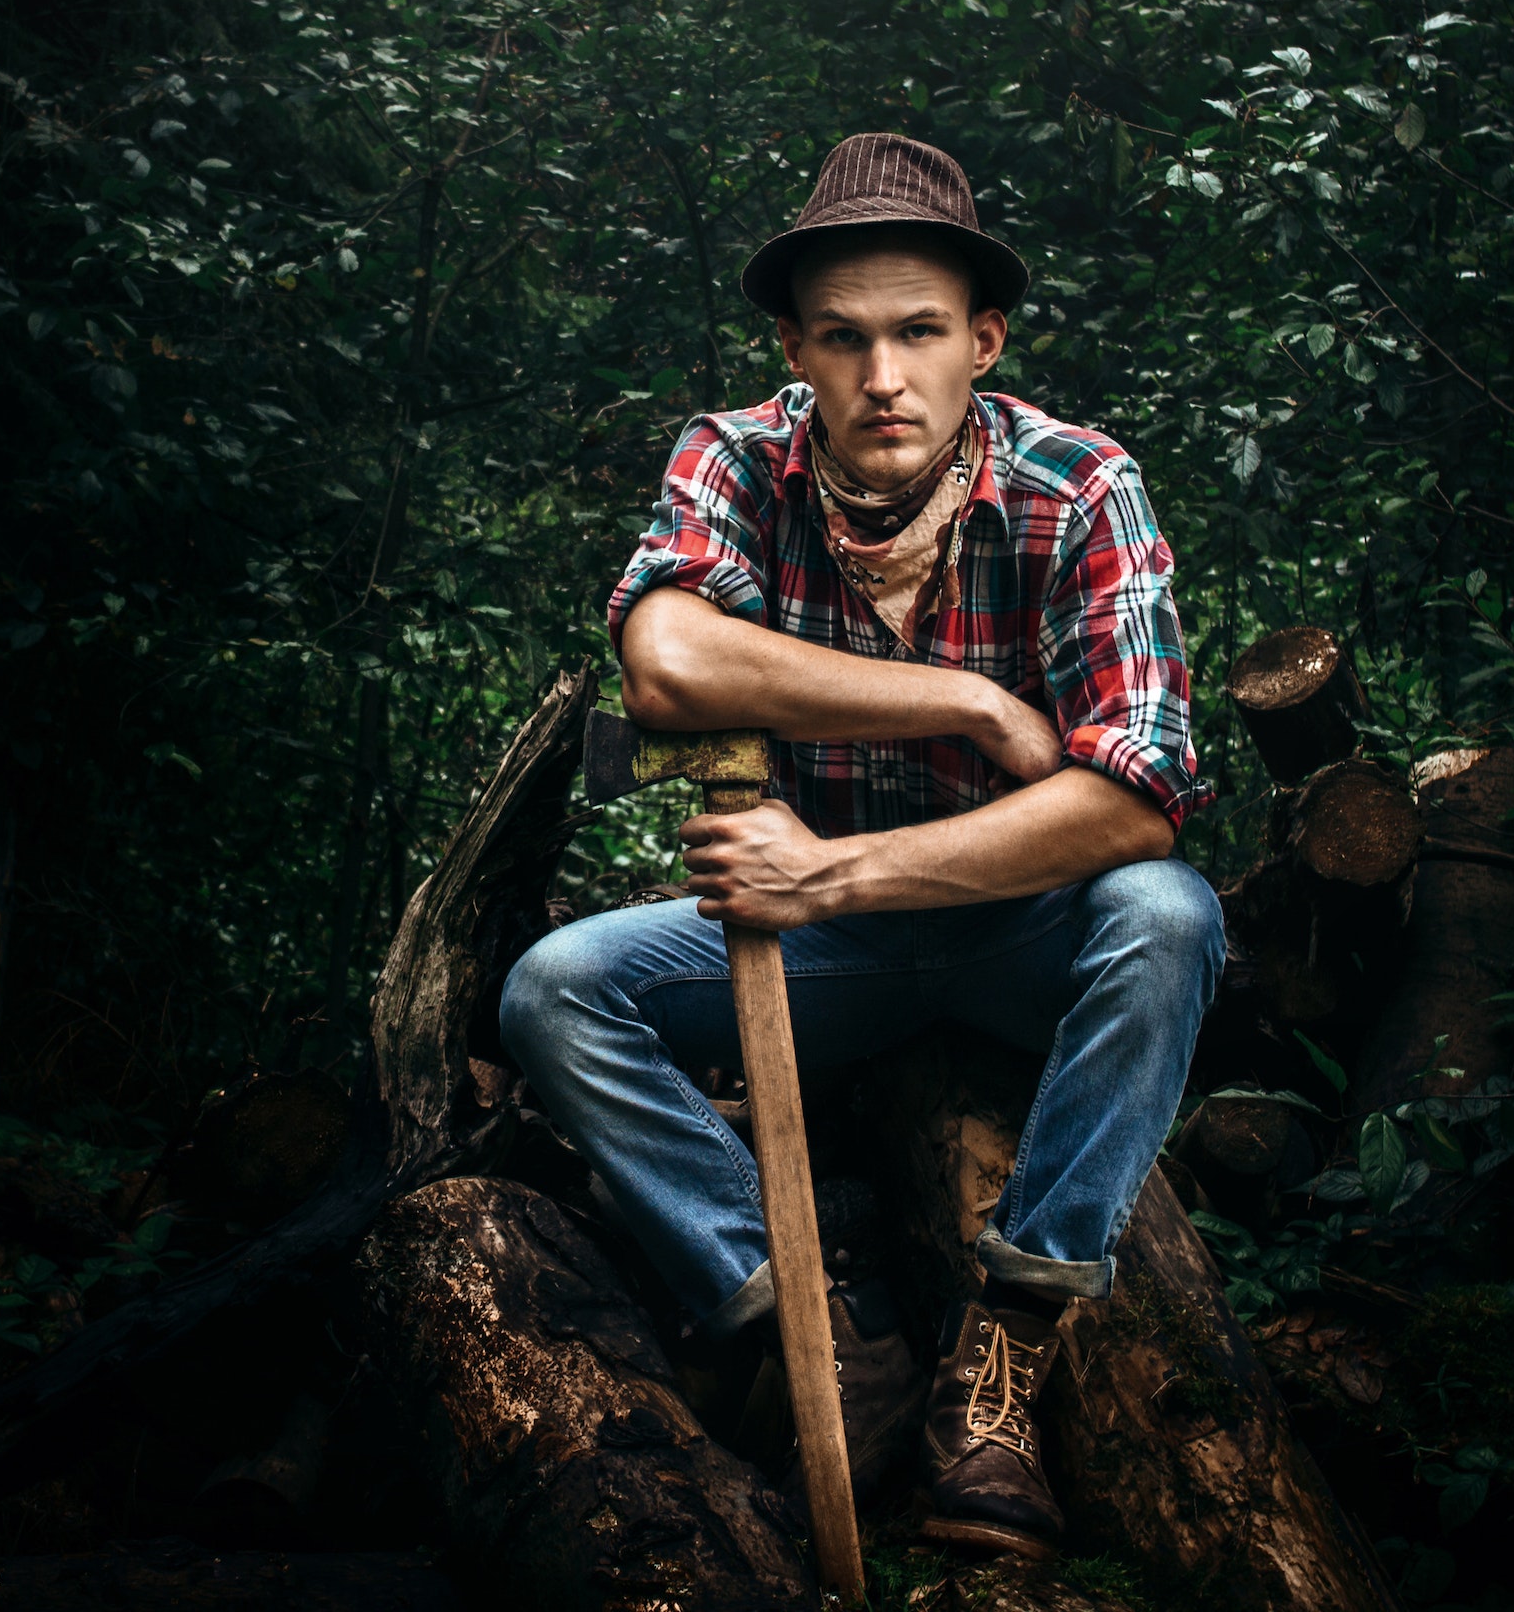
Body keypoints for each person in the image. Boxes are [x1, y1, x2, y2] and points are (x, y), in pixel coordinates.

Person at [500, 132, 1223, 1558]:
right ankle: (814, 1321)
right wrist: (963, 702)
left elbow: (1137, 797)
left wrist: (831, 872)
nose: (881, 379)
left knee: (1169, 915)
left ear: (985, 341)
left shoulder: (1080, 487)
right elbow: (665, 660)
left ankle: (1005, 1363)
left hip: (1022, 931)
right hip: (835, 956)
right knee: (557, 991)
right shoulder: (738, 457)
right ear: (795, 347)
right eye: (843, 340)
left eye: (919, 334)